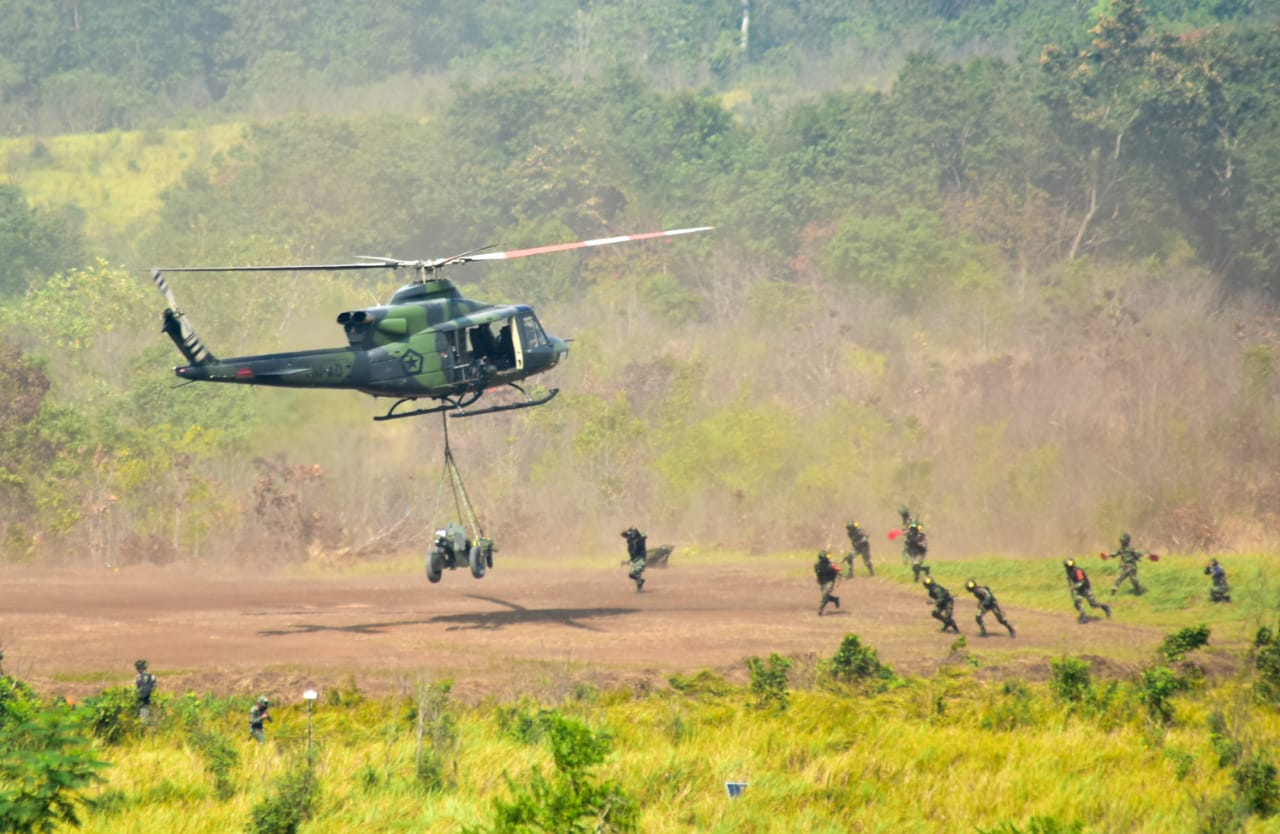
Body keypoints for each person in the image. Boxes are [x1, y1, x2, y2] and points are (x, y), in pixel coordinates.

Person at [1064, 559, 1111, 624]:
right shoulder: (1068, 571)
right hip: (1079, 590)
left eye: (1071, 563)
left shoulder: (1078, 571)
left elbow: (1082, 581)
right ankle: (1083, 617)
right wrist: (1071, 585)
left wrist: (1073, 587)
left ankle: (1105, 607)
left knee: (1093, 604)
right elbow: (1069, 578)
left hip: (1085, 588)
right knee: (1078, 603)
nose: (1070, 564)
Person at [814, 550, 841, 615]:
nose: (828, 557)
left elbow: (838, 572)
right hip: (822, 581)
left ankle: (821, 609)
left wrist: (838, 581)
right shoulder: (817, 564)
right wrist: (818, 578)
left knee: (825, 594)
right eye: (827, 556)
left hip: (830, 581)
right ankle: (835, 599)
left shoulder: (832, 564)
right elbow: (817, 572)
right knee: (825, 595)